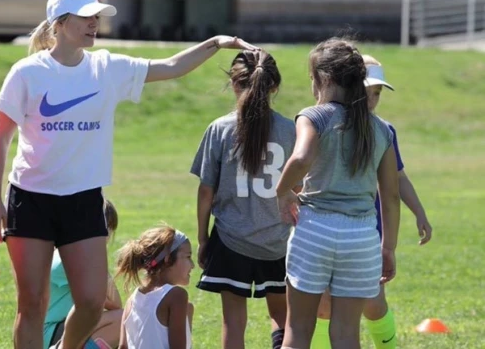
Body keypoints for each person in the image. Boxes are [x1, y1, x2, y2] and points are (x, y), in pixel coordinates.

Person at [0, 0, 258, 349]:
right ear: (61, 22)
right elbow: (1, 137)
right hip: (30, 198)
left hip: (83, 199)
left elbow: (171, 67)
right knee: (32, 304)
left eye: (97, 16)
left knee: (91, 300)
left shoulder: (107, 67)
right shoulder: (27, 72)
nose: (95, 23)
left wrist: (217, 43)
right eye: (86, 17)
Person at [275, 38, 400, 349]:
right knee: (346, 335)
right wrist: (388, 248)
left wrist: (282, 192)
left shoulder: (314, 116)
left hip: (315, 229)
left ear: (324, 79)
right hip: (361, 237)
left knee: (298, 330)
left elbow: (301, 159)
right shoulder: (381, 129)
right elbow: (391, 195)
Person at [310, 54, 434, 349]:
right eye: (366, 91)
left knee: (373, 303)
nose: (372, 99)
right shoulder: (326, 123)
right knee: (323, 306)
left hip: (367, 231)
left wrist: (419, 212)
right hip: (324, 227)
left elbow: (398, 180)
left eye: (377, 93)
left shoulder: (383, 130)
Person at [191, 50, 295, 349]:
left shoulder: (220, 129)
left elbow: (205, 191)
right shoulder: (290, 130)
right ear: (273, 86)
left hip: (230, 239)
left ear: (234, 84)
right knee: (282, 315)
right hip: (278, 240)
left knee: (233, 321)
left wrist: (202, 238)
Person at [45, 198, 122, 349]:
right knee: (121, 319)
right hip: (50, 333)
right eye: (106, 227)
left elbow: (114, 304)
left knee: (120, 318)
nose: (108, 234)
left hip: (62, 327)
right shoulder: (69, 259)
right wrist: (99, 260)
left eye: (111, 228)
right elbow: (113, 304)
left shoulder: (72, 253)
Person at [117, 225, 195, 349]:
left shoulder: (131, 300)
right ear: (168, 259)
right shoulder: (176, 296)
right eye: (188, 257)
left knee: (189, 308)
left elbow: (122, 346)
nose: (193, 265)